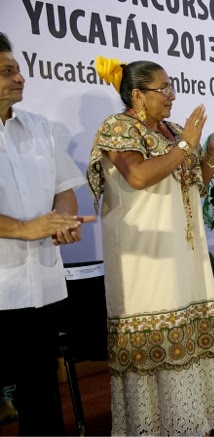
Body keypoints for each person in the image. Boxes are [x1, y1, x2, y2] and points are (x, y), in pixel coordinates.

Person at [88, 57, 214, 435]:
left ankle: (190, 425)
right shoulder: (117, 128)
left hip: (183, 255)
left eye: (172, 87)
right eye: (163, 89)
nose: (172, 96)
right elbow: (138, 176)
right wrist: (188, 143)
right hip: (145, 259)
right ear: (137, 94)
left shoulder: (172, 131)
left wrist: (211, 151)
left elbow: (194, 186)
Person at [0, 32, 91, 435]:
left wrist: (63, 221)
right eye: (7, 72)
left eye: (18, 70)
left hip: (43, 287)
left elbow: (64, 189)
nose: (19, 79)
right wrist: (23, 228)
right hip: (1, 288)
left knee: (42, 401)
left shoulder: (39, 127)